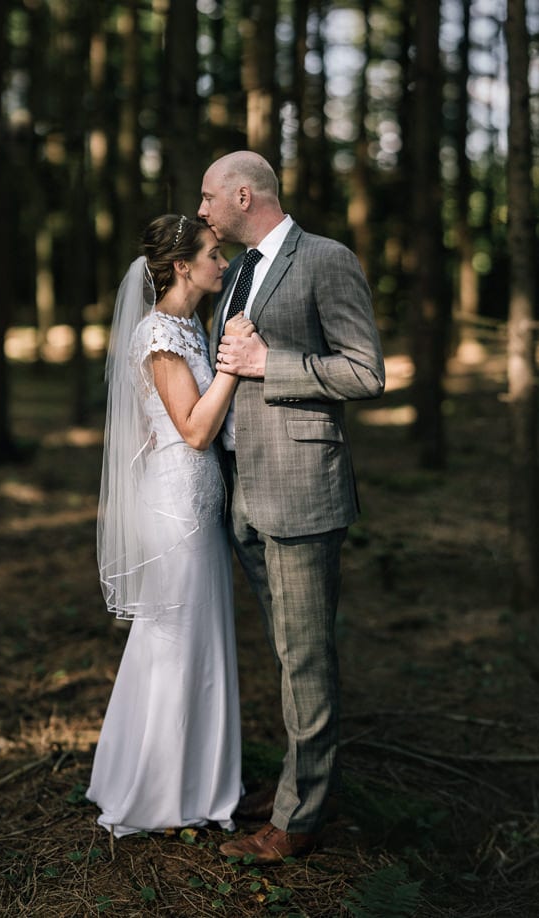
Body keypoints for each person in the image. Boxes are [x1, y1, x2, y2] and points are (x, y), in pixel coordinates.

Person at [201, 151, 386, 863]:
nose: (205, 210)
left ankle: (300, 818)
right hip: (243, 489)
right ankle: (293, 783)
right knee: (284, 654)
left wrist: (267, 365)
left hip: (303, 491)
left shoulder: (325, 259)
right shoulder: (240, 270)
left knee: (307, 658)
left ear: (244, 195)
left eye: (211, 197)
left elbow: (365, 371)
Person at [87, 214, 257, 838]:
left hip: (198, 501)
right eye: (214, 254)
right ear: (183, 265)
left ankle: (197, 780)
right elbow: (193, 429)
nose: (222, 262)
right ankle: (156, 790)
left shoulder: (188, 325)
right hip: (176, 508)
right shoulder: (161, 333)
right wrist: (236, 368)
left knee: (197, 639)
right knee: (175, 642)